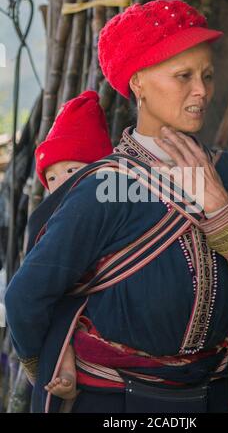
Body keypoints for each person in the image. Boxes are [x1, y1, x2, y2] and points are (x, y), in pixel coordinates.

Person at [5, 0, 228, 413]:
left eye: (207, 76)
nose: (202, 90)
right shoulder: (105, 186)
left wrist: (221, 207)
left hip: (205, 399)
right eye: (183, 76)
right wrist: (48, 363)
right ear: (138, 82)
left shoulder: (222, 171)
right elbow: (25, 297)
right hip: (116, 404)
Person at [29, 89, 113, 399]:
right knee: (59, 319)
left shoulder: (115, 206)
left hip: (112, 303)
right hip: (72, 305)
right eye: (51, 177)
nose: (61, 182)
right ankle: (65, 371)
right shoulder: (50, 221)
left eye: (72, 170)